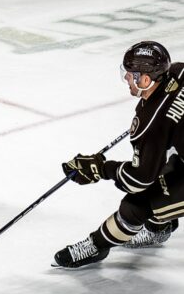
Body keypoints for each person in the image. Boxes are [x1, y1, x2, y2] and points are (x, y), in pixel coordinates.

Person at [55, 41, 183, 268]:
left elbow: (139, 179)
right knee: (169, 166)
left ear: (146, 79)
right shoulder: (179, 71)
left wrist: (100, 168)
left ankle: (97, 245)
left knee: (138, 204)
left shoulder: (152, 125)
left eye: (131, 75)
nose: (126, 79)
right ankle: (160, 226)